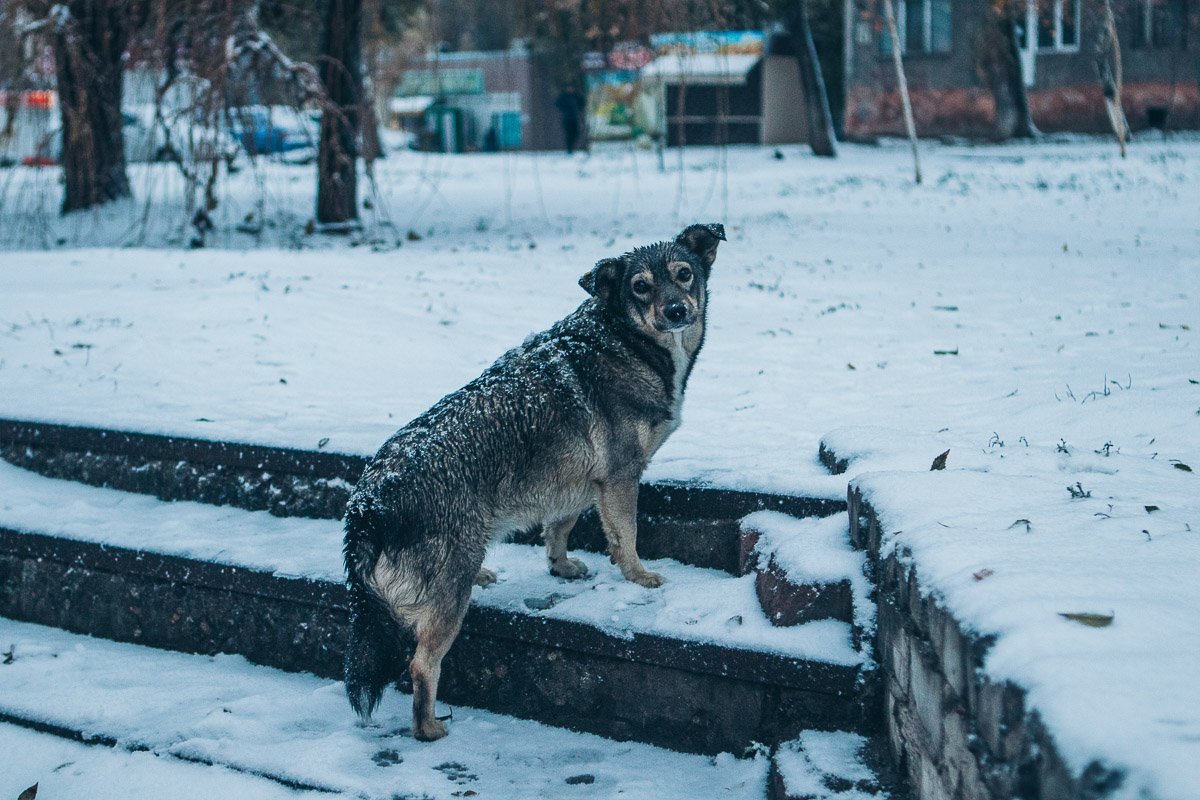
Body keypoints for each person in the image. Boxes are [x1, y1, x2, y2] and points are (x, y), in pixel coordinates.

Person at [555, 85, 586, 155]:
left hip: (574, 118)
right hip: (566, 119)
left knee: (576, 133)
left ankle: (571, 147)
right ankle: (569, 149)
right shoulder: (564, 96)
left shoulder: (576, 96)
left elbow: (582, 103)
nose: (570, 89)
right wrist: (565, 109)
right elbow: (557, 104)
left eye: (572, 88)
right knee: (568, 134)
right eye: (569, 88)